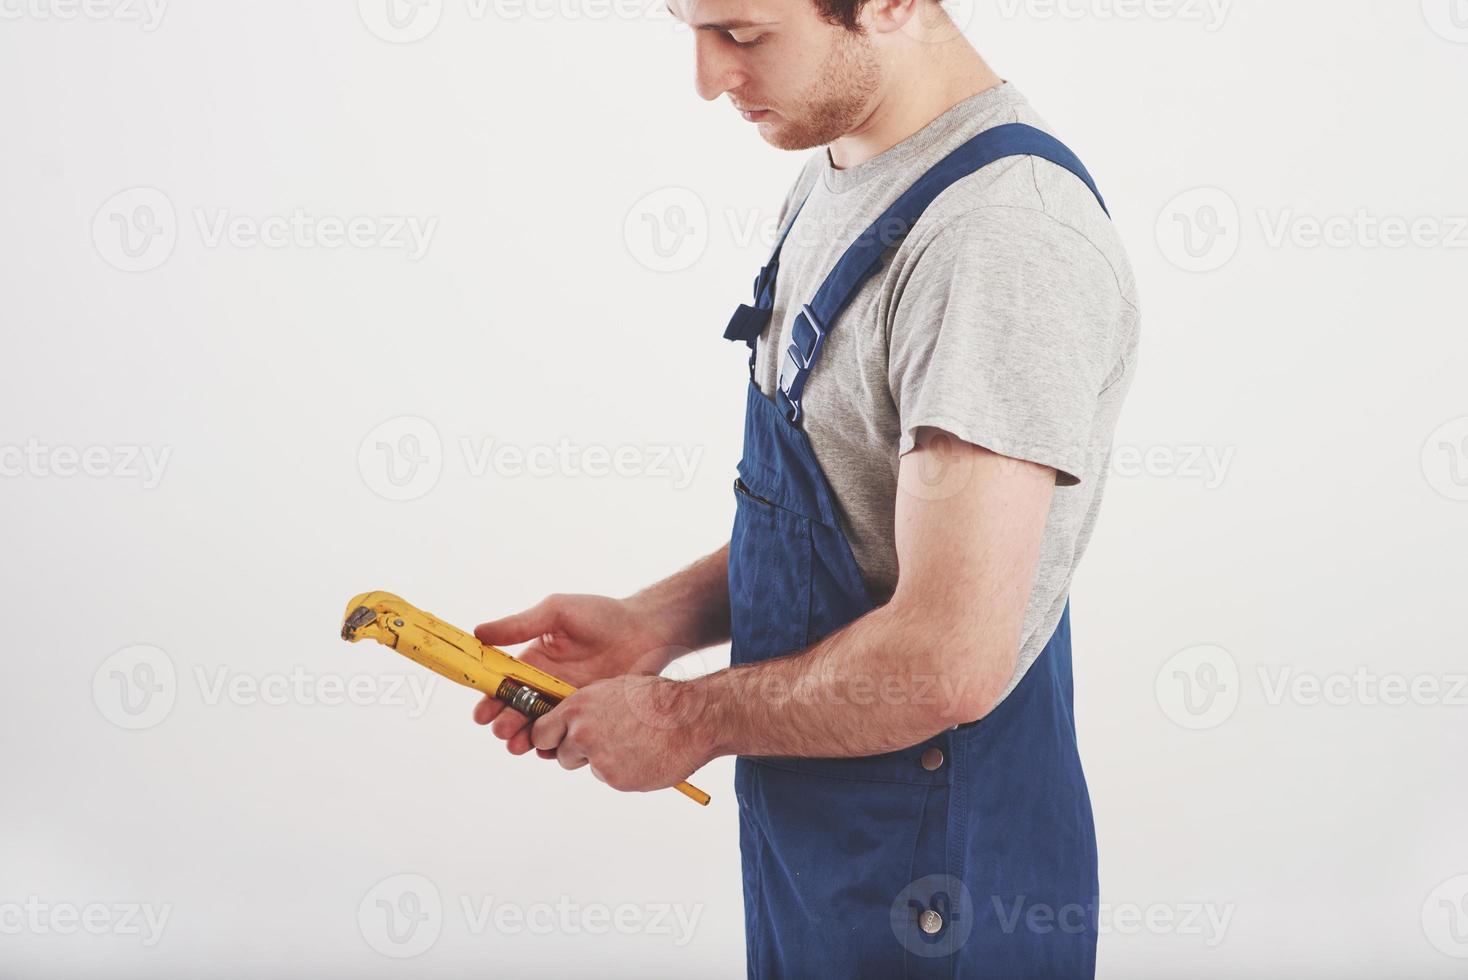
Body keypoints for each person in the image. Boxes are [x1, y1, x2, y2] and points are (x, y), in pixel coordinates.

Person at [473, 0, 1140, 974]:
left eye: (740, 36)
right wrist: (654, 622)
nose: (705, 78)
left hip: (940, 876)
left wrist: (686, 716)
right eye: (690, 29)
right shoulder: (845, 166)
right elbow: (848, 513)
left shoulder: (997, 243)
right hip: (823, 842)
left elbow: (948, 656)